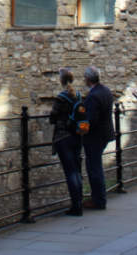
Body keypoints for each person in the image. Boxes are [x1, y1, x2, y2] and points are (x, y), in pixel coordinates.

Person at [50, 67, 83, 216]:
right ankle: (79, 202)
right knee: (76, 170)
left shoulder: (61, 97)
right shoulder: (78, 96)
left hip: (63, 137)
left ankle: (76, 206)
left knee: (70, 172)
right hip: (77, 136)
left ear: (61, 81)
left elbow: (53, 117)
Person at [82, 65, 115, 210]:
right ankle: (98, 198)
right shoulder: (105, 91)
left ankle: (98, 200)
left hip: (95, 136)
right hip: (105, 133)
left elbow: (91, 120)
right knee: (96, 166)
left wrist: (80, 131)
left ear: (88, 79)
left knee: (94, 167)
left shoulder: (93, 96)